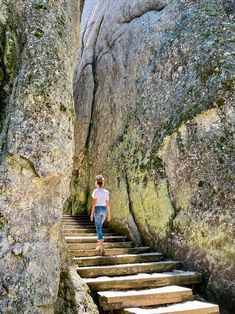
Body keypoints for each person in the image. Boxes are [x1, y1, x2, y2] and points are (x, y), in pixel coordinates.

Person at [90, 175, 111, 255]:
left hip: (98, 209)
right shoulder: (106, 192)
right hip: (104, 209)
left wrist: (92, 213)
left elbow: (94, 203)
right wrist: (109, 214)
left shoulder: (95, 191)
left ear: (96, 183)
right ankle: (99, 245)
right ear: (103, 183)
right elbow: (108, 204)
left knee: (98, 227)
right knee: (100, 227)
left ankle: (101, 244)